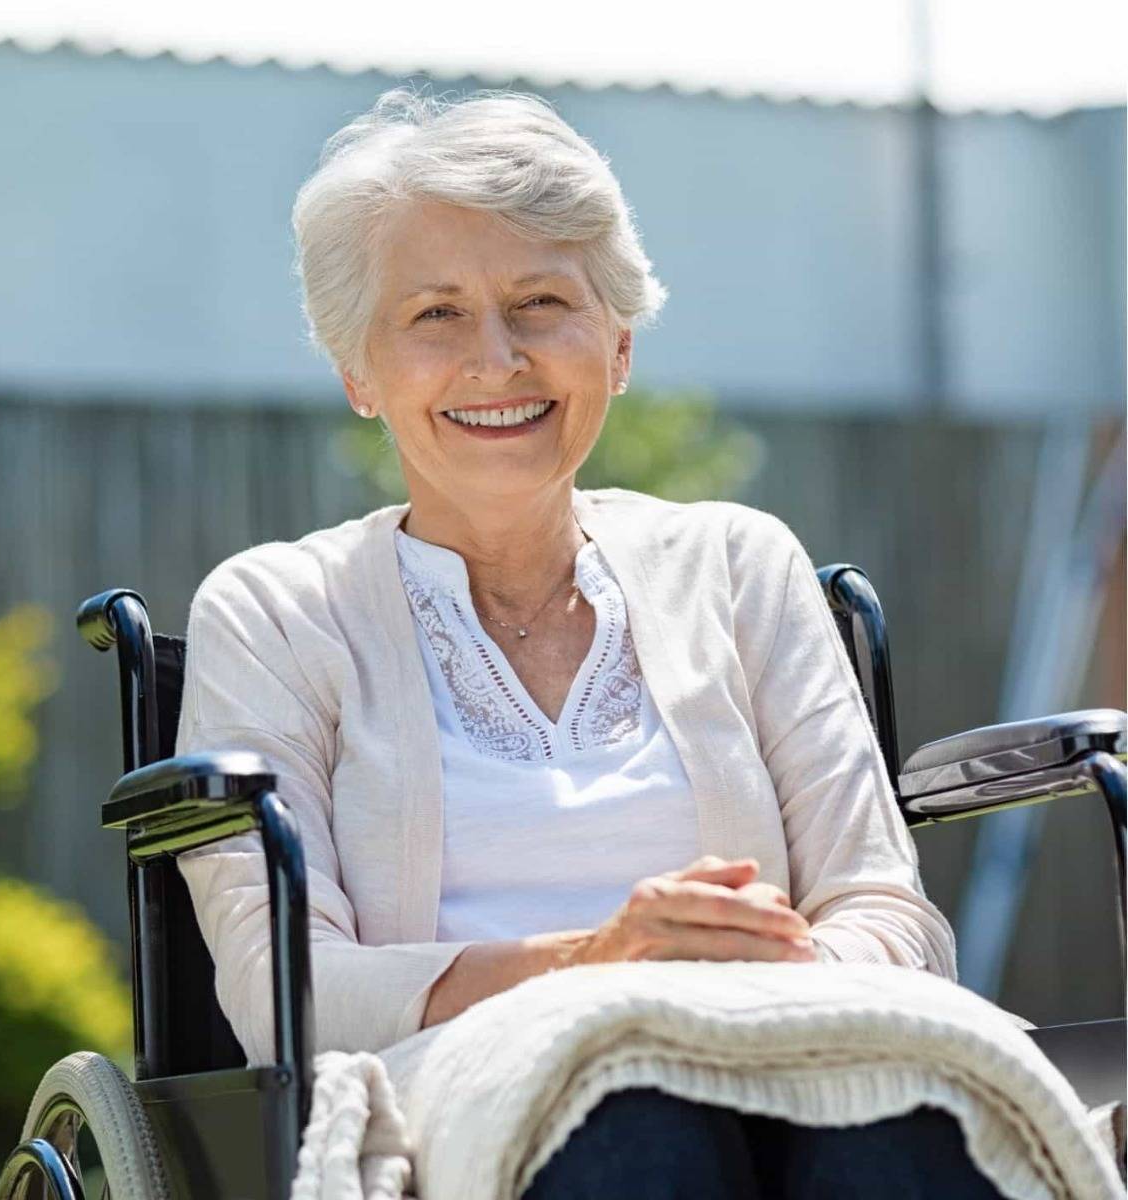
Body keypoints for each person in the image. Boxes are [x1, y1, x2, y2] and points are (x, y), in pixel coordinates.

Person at [174, 88, 999, 1197]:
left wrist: (748, 993)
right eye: (433, 315)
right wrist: (593, 968)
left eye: (538, 303)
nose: (497, 359)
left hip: (783, 1053)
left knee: (904, 1129)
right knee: (637, 1125)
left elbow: (886, 911)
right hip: (460, 1099)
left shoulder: (737, 566)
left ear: (613, 345)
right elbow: (284, 987)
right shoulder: (276, 613)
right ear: (356, 372)